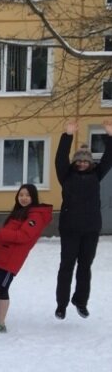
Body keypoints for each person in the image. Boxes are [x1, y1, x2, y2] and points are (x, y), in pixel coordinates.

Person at [0, 184, 52, 333]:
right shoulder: (18, 212)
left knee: (2, 288)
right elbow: (8, 231)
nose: (23, 198)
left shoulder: (35, 216)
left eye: (27, 195)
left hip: (11, 259)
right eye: (21, 195)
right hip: (0, 254)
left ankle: (1, 323)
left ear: (33, 197)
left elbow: (22, 236)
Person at [54, 120, 112, 319]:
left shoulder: (97, 175)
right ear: (75, 162)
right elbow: (60, 158)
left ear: (90, 163)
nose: (82, 163)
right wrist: (68, 135)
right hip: (70, 229)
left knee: (85, 266)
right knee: (66, 266)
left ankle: (80, 301)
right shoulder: (66, 175)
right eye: (79, 160)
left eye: (86, 161)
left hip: (90, 229)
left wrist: (109, 136)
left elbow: (109, 157)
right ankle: (61, 305)